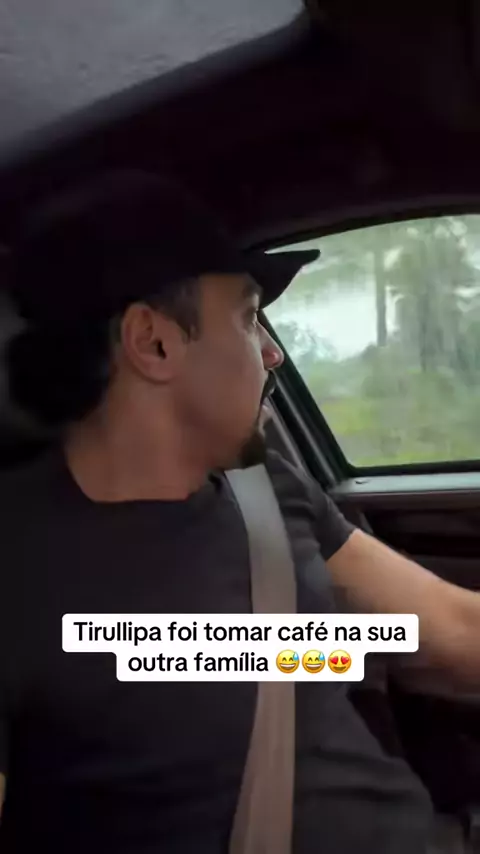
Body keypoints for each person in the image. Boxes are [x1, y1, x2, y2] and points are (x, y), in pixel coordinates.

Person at [0, 172, 477, 853]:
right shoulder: (17, 564)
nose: (272, 351)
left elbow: (448, 634)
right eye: (248, 318)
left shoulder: (266, 486)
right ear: (154, 343)